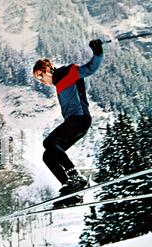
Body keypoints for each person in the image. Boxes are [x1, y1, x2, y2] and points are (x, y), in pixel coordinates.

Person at [33, 39, 103, 207]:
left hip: (80, 120)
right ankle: (72, 190)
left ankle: (76, 177)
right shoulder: (58, 84)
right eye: (38, 80)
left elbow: (90, 68)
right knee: (48, 154)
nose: (41, 82)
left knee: (48, 142)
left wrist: (97, 52)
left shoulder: (67, 72)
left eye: (40, 77)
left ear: (47, 69)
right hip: (75, 123)